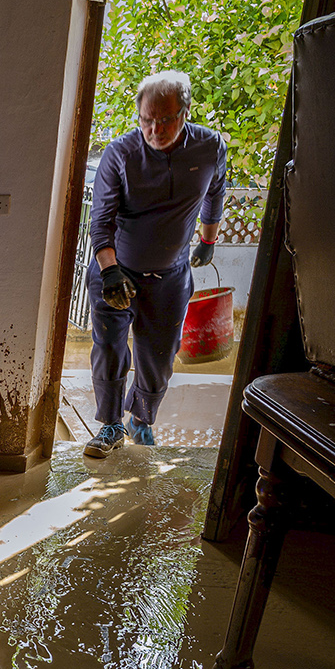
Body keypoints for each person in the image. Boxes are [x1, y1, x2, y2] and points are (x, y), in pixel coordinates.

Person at [83, 70, 226, 458]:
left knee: (159, 355)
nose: (155, 128)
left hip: (169, 276)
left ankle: (141, 420)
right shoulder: (121, 154)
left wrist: (208, 240)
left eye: (165, 119)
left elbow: (215, 192)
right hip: (116, 270)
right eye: (147, 119)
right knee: (110, 348)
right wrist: (110, 269)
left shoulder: (209, 147)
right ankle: (110, 425)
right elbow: (101, 220)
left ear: (186, 112)